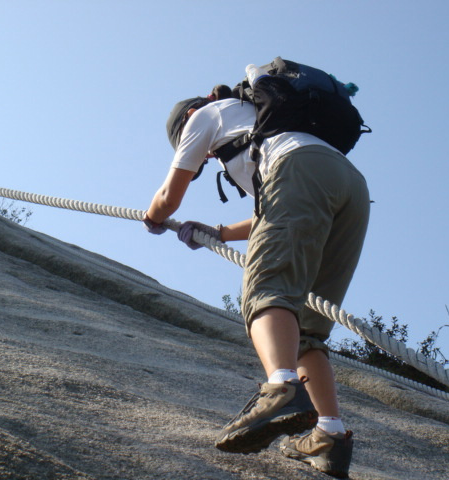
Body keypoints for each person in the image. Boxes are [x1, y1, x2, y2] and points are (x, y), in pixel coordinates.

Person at [144, 76, 369, 479]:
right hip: (350, 187)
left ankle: (281, 388)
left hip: (299, 172)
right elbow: (279, 206)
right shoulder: (266, 123)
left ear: (185, 121)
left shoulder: (204, 116)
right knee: (305, 331)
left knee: (267, 289)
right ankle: (329, 435)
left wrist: (154, 218)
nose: (211, 160)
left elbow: (168, 197)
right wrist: (220, 232)